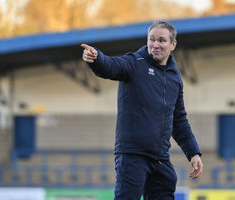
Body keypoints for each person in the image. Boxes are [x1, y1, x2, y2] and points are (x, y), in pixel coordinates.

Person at [81, 21, 203, 200]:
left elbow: (178, 119)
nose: (155, 44)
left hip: (161, 158)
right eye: (151, 39)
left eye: (161, 40)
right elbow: (112, 66)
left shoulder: (174, 77)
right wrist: (97, 58)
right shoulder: (134, 63)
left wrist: (193, 152)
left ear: (173, 44)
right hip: (132, 155)